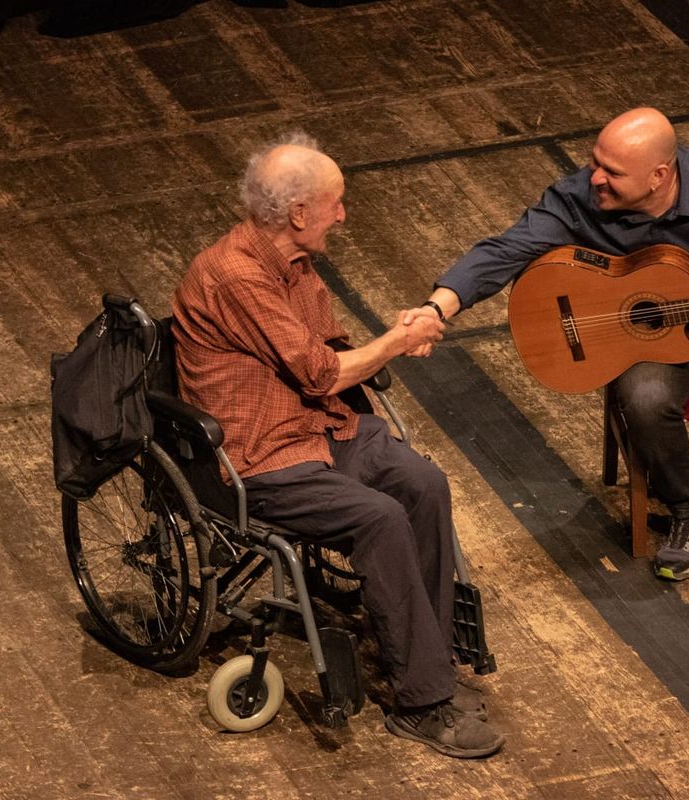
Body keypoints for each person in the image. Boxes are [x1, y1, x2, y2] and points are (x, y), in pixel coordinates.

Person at [170, 132, 506, 758]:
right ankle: (419, 701)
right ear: (299, 213)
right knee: (377, 517)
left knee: (423, 484)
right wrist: (397, 341)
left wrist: (396, 337)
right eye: (337, 201)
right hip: (257, 456)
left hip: (319, 428)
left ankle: (427, 659)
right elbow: (322, 372)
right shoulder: (236, 273)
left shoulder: (297, 264)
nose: (344, 214)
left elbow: (333, 354)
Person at [418, 107, 689, 591]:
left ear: (660, 175)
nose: (594, 177)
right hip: (657, 337)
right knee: (643, 402)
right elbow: (505, 250)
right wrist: (438, 307)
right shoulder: (581, 197)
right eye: (595, 161)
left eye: (612, 172)